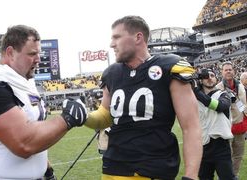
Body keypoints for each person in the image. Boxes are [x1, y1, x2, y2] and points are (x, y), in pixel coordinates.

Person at [84, 15, 202, 180]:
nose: (112, 44)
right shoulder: (112, 73)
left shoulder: (169, 66)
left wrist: (191, 175)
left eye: (117, 37)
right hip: (113, 166)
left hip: (151, 167)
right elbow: (104, 117)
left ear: (138, 37)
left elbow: (191, 127)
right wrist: (83, 116)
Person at [0, 25, 88, 180]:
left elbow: (35, 125)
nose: (38, 59)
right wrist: (67, 118)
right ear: (11, 53)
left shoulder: (23, 81)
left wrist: (47, 170)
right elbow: (24, 143)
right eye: (32, 54)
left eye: (39, 53)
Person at [192, 68, 235, 180]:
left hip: (221, 146)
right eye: (206, 76)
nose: (210, 78)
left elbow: (219, 106)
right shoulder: (194, 98)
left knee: (228, 178)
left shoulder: (224, 94)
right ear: (200, 80)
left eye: (212, 75)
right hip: (203, 146)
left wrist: (196, 91)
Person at [216, 62, 247, 179]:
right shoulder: (218, 87)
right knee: (226, 155)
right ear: (222, 72)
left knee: (238, 154)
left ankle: (234, 175)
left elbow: (244, 105)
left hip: (240, 126)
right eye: (226, 70)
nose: (228, 71)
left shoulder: (240, 86)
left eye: (230, 69)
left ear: (234, 71)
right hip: (225, 127)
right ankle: (224, 176)